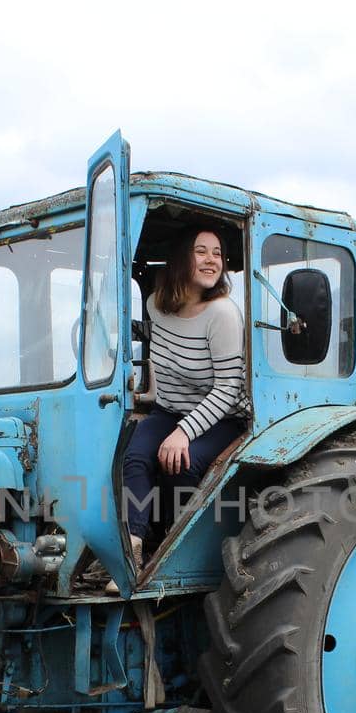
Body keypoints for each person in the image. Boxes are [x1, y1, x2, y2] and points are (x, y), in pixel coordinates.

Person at [118, 227, 247, 581]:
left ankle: (176, 556)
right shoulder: (155, 306)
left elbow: (227, 388)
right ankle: (132, 551)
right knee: (135, 455)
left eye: (217, 253)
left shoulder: (222, 314)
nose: (211, 260)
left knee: (183, 463)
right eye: (201, 251)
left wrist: (183, 434)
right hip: (170, 410)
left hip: (220, 417)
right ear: (181, 260)